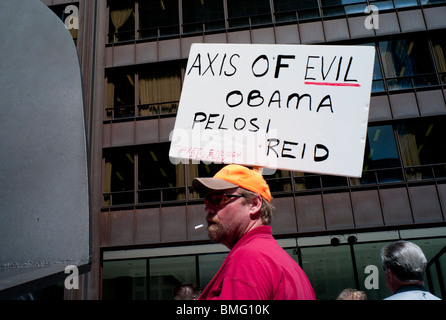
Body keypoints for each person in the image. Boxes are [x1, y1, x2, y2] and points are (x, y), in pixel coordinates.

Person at [192, 164, 315, 300]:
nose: (208, 209)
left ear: (254, 204)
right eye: (207, 201)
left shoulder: (249, 258)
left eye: (219, 199)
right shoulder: (289, 266)